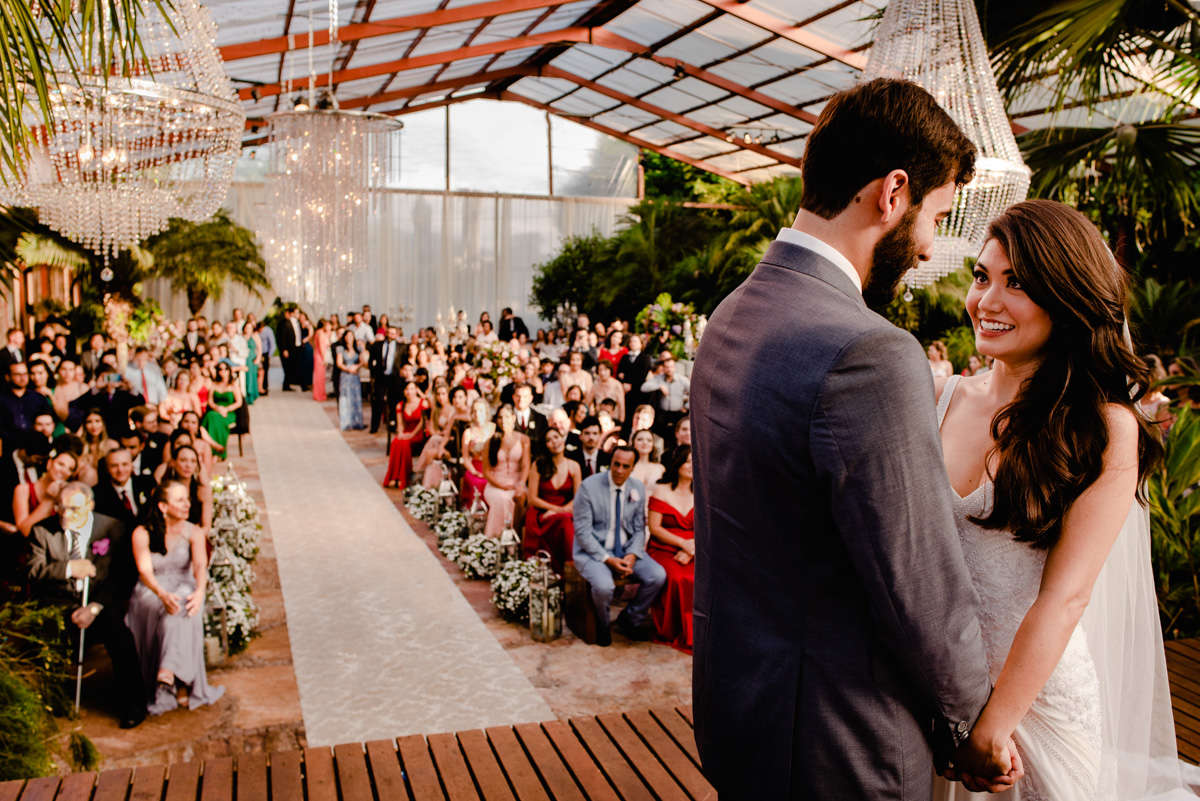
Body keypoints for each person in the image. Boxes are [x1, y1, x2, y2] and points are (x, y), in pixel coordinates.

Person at [689, 78, 1013, 799]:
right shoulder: (870, 351)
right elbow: (917, 582)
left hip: (738, 716)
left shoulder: (730, 316)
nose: (930, 249)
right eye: (936, 215)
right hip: (839, 745)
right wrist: (970, 729)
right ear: (893, 193)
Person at [933, 200, 1188, 800]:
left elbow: (1066, 595)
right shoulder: (943, 397)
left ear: (1066, 296)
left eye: (1016, 283)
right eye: (981, 276)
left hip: (1035, 705)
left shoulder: (1104, 428)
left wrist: (991, 729)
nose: (986, 302)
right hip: (941, 694)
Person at [28, 483, 145, 728]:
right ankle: (51, 703)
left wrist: (94, 608)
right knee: (43, 637)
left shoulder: (112, 527)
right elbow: (33, 571)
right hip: (60, 603)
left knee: (121, 637)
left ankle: (133, 706)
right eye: (61, 507)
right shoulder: (42, 531)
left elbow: (120, 578)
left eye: (74, 509)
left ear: (89, 507)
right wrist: (70, 568)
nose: (65, 514)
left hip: (99, 603)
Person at [126, 481, 225, 715]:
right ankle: (181, 682)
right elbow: (145, 571)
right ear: (162, 506)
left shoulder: (194, 532)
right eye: (180, 500)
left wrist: (200, 591)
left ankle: (169, 672)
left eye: (187, 499)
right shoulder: (142, 533)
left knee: (184, 605)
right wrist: (161, 594)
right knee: (174, 608)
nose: (187, 504)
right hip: (152, 588)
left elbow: (200, 565)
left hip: (184, 583)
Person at [571, 445, 665, 647]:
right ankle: (603, 626)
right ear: (610, 463)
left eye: (625, 466)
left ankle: (630, 618)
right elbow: (582, 532)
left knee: (657, 576)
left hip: (626, 549)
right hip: (594, 552)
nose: (619, 470)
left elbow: (640, 529)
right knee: (605, 587)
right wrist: (608, 559)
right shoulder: (588, 487)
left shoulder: (637, 488)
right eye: (616, 464)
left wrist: (632, 554)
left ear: (633, 468)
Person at [647, 445, 695, 653]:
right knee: (676, 577)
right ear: (677, 464)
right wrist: (681, 543)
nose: (692, 465)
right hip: (663, 547)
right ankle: (673, 630)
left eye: (695, 461)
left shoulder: (702, 490)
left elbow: (708, 526)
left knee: (697, 577)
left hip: (694, 547)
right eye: (688, 461)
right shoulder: (662, 489)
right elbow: (654, 528)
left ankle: (697, 632)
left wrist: (690, 549)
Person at [523, 427, 580, 573]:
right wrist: (555, 510)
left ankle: (571, 569)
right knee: (565, 519)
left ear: (563, 438)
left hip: (566, 511)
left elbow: (578, 498)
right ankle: (568, 568)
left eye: (556, 437)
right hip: (542, 514)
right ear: (545, 446)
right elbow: (532, 498)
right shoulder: (538, 465)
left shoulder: (574, 466)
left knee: (566, 520)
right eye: (549, 440)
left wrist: (561, 510)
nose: (554, 442)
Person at [482, 404, 530, 538]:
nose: (503, 421)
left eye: (507, 417)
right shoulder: (491, 441)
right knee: (502, 498)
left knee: (519, 497)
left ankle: (515, 536)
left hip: (517, 482)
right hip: (496, 483)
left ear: (513, 418)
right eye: (500, 417)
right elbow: (486, 471)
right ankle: (497, 537)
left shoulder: (523, 439)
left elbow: (526, 465)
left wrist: (521, 484)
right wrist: (500, 485)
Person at [14, 444, 75, 536]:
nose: (64, 471)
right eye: (61, 464)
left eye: (70, 469)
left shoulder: (68, 497)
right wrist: (49, 500)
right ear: (49, 463)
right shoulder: (23, 489)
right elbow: (24, 531)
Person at [93, 448, 154, 531]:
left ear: (132, 465)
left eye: (125, 464)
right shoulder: (97, 494)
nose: (120, 470)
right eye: (114, 466)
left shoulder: (147, 483)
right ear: (107, 468)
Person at [382, 381, 428, 489]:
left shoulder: (423, 403)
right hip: (407, 432)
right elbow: (400, 424)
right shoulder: (401, 405)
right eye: (407, 389)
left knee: (405, 443)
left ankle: (404, 477)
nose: (409, 392)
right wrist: (401, 433)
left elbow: (423, 422)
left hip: (418, 432)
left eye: (412, 389)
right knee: (396, 442)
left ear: (416, 390)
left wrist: (411, 434)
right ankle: (394, 476)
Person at [200, 361, 241, 460]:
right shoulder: (214, 385)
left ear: (228, 371)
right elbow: (210, 401)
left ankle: (217, 452)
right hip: (216, 410)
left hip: (229, 413)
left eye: (225, 369)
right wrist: (217, 408)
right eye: (220, 369)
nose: (223, 371)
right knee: (211, 416)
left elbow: (239, 402)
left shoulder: (233, 386)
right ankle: (215, 449)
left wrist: (226, 409)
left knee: (215, 419)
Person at [369, 327, 405, 434]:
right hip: (381, 377)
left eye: (393, 333)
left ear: (396, 335)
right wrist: (374, 373)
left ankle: (392, 426)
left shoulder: (401, 347)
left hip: (394, 378)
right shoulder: (377, 345)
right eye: (389, 333)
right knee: (377, 402)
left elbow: (403, 361)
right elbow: (371, 360)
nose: (390, 335)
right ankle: (374, 426)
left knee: (393, 402)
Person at [460, 397, 493, 506]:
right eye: (475, 410)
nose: (478, 413)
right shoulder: (468, 432)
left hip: (491, 467)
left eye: (481, 410)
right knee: (476, 483)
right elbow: (465, 458)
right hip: (475, 466)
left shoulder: (493, 429)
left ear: (486, 412)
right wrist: (474, 472)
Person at [334, 330, 365, 431]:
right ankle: (346, 422)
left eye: (351, 336)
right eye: (347, 336)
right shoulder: (340, 349)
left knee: (355, 397)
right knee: (345, 397)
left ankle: (356, 421)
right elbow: (339, 363)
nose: (349, 338)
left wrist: (356, 366)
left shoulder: (358, 348)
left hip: (355, 376)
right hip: (345, 375)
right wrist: (348, 369)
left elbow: (363, 361)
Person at [312, 319, 329, 402]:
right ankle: (320, 395)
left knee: (318, 376)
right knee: (320, 376)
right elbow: (322, 346)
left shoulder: (317, 332)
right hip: (320, 356)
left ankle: (317, 394)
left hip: (317, 354)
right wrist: (324, 358)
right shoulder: (321, 333)